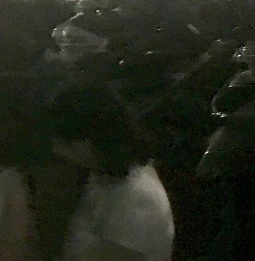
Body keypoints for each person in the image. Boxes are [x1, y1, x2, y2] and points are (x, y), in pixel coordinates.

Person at [29, 83, 174, 261]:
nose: (57, 150)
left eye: (66, 144)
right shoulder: (102, 177)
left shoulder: (138, 198)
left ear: (90, 142)